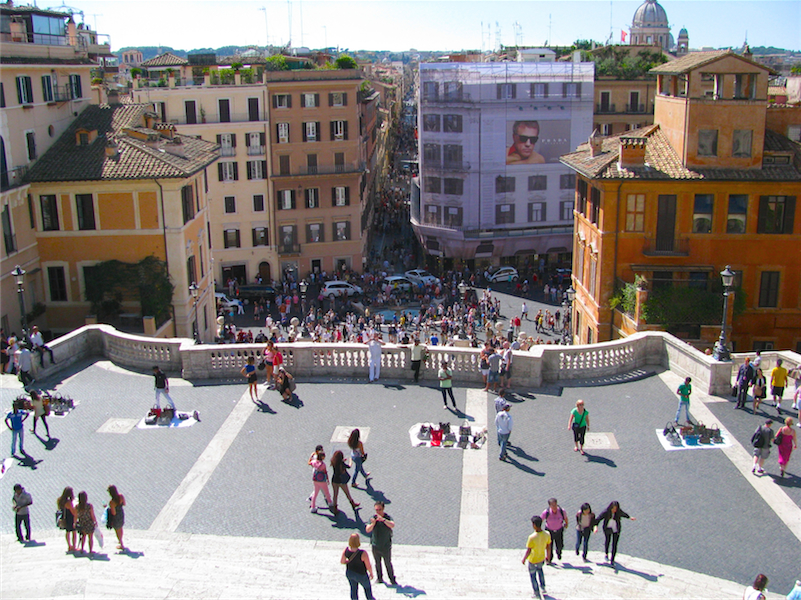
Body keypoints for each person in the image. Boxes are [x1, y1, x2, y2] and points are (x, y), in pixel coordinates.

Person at [596, 500, 635, 567]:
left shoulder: (618, 512)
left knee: (615, 544)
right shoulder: (606, 512)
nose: (614, 510)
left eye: (616, 509)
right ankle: (606, 553)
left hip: (616, 529)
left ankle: (612, 560)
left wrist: (629, 517)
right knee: (607, 541)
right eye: (613, 508)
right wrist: (595, 526)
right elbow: (598, 519)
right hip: (607, 528)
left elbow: (623, 514)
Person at [366, 501, 396, 585]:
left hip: (386, 546)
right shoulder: (373, 518)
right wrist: (373, 524)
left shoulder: (387, 517)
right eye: (376, 510)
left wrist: (383, 520)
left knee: (388, 563)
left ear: (383, 509)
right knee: (377, 563)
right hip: (375, 545)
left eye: (379, 509)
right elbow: (367, 529)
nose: (378, 512)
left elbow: (392, 525)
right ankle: (379, 578)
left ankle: (392, 579)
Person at [521, 515, 551, 600]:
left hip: (533, 560)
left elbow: (529, 550)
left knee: (533, 576)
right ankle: (543, 587)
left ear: (534, 525)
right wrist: (548, 557)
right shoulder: (547, 534)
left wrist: (524, 559)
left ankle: (536, 593)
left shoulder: (532, 537)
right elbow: (548, 547)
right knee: (540, 571)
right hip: (541, 558)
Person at [341, 533, 375, 600]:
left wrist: (348, 561)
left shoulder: (346, 550)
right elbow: (368, 565)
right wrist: (371, 573)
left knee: (353, 590)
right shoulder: (363, 553)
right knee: (367, 590)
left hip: (350, 573)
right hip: (362, 575)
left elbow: (342, 561)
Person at [330, 450, 360, 515]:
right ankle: (353, 504)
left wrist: (343, 461)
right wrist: (350, 461)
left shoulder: (333, 461)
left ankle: (335, 509)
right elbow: (349, 466)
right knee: (347, 493)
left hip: (334, 480)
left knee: (335, 495)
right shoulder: (341, 463)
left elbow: (338, 465)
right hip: (341, 481)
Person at [541, 498, 569, 563]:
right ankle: (549, 559)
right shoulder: (546, 512)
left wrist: (566, 524)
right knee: (549, 546)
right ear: (549, 506)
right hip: (549, 531)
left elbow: (565, 518)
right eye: (552, 505)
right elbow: (541, 520)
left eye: (555, 505)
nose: (554, 507)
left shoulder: (562, 511)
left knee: (560, 545)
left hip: (559, 531)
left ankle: (559, 552)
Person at [75, 490, 97, 555]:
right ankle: (90, 550)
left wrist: (75, 522)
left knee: (83, 536)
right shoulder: (89, 506)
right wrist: (95, 521)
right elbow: (92, 515)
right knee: (90, 537)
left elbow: (76, 515)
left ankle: (82, 548)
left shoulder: (77, 506)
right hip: (89, 522)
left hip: (82, 522)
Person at [106, 485, 126, 550]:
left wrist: (108, 508)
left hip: (116, 517)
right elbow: (124, 504)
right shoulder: (121, 496)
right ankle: (121, 540)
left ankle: (121, 543)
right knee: (120, 528)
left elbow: (113, 513)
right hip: (121, 514)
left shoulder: (112, 502)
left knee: (117, 530)